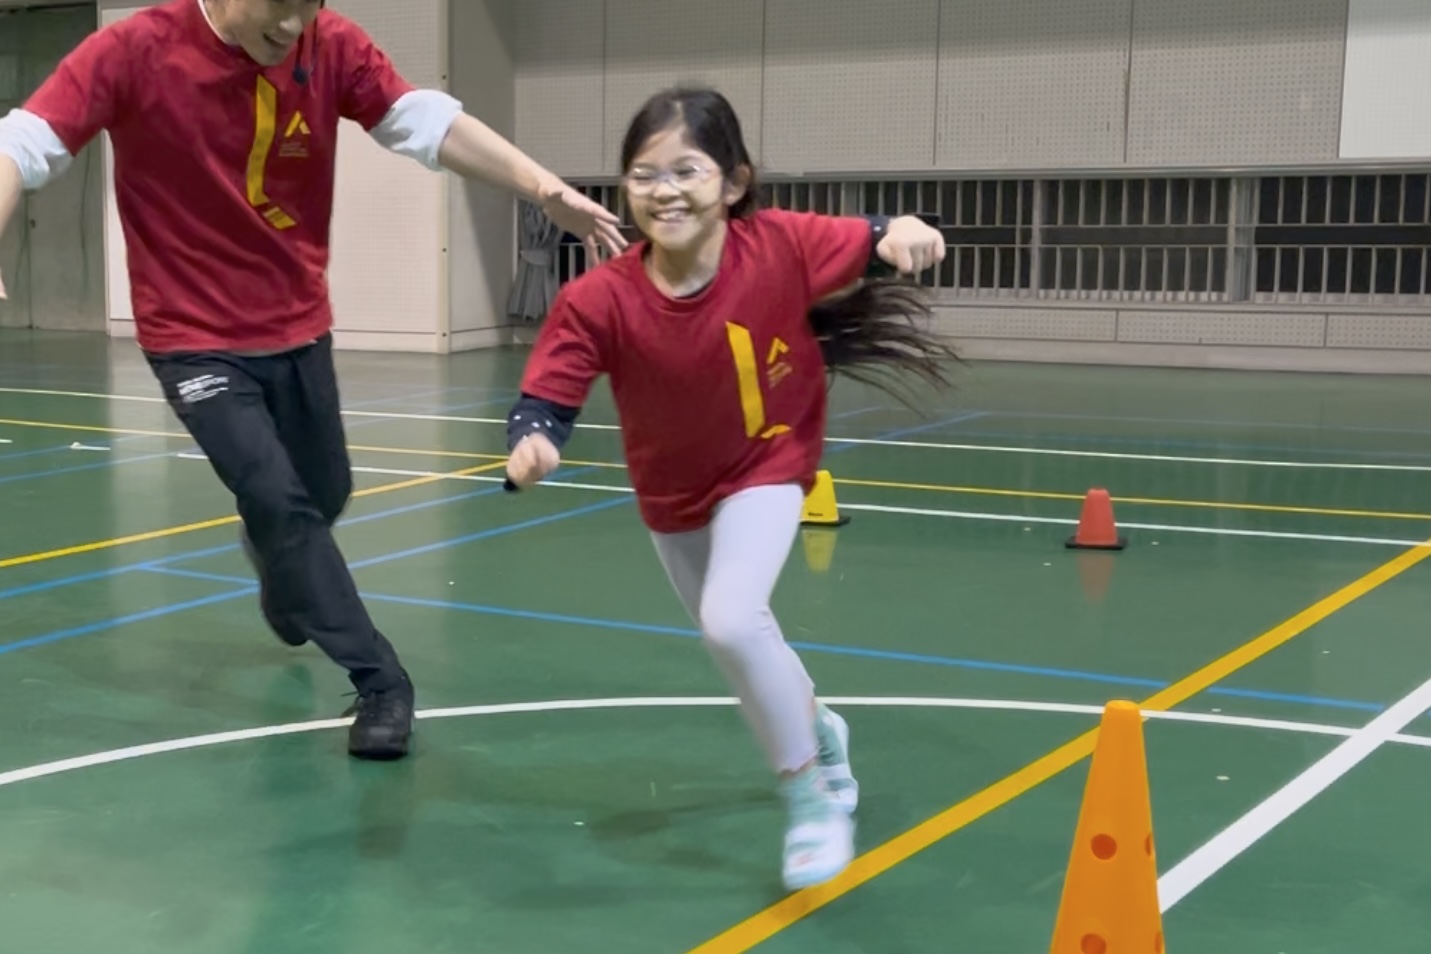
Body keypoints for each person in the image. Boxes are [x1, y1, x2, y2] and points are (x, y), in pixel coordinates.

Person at [0, 0, 627, 762]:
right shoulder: (134, 48)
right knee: (278, 500)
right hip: (192, 339)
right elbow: (21, 144)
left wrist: (540, 186)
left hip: (297, 325)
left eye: (312, 4)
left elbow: (424, 122)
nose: (297, 26)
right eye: (281, 5)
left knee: (325, 493)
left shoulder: (331, 44)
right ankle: (381, 682)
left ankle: (281, 571)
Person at [502, 86, 956, 891]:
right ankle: (819, 730)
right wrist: (534, 441)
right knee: (743, 645)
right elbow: (549, 392)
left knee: (728, 620)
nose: (664, 189)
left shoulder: (777, 246)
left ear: (734, 181)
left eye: (686, 170)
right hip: (670, 490)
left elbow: (875, 233)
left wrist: (904, 232)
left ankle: (809, 795)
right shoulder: (597, 299)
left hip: (768, 463)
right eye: (643, 175)